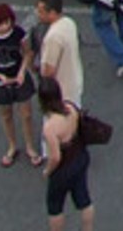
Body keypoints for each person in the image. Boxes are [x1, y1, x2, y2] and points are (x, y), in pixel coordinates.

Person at [0, 3, 43, 168]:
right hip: (0, 82)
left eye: (7, 22)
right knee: (6, 115)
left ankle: (30, 147)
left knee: (26, 114)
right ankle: (12, 146)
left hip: (19, 77)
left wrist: (22, 72)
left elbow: (27, 52)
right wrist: (0, 76)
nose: (4, 27)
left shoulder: (18, 33)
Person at [36, 74, 95, 231]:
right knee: (84, 199)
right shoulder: (71, 108)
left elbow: (55, 157)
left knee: (55, 206)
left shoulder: (50, 127)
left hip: (64, 169)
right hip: (80, 157)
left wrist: (47, 171)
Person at [34, 0, 84, 108]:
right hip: (74, 82)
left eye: (41, 12)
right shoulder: (69, 22)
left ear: (52, 13)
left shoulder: (53, 37)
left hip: (61, 91)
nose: (38, 14)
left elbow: (48, 71)